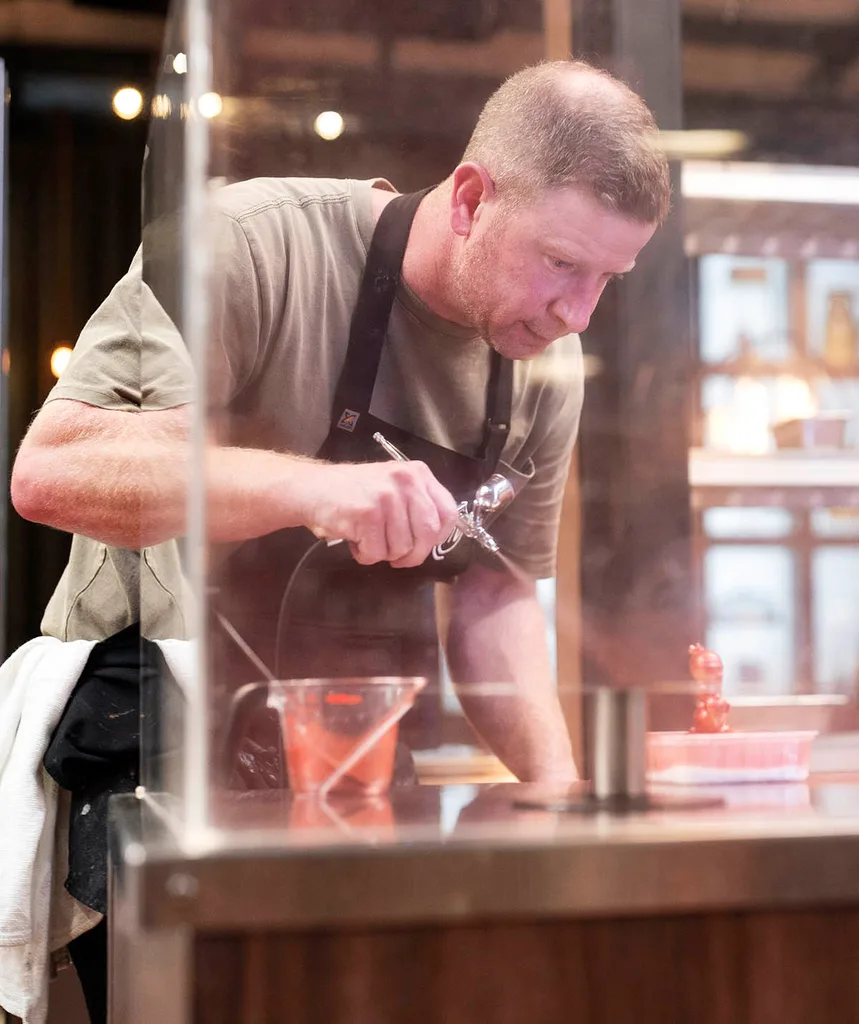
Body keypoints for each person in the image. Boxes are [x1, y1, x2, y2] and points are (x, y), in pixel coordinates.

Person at [10, 58, 669, 1021]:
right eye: (562, 262)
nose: (576, 312)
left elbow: (493, 593)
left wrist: (562, 804)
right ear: (472, 199)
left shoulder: (545, 364)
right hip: (158, 739)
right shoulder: (246, 245)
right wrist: (314, 490)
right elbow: (52, 470)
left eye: (608, 278)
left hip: (356, 759)